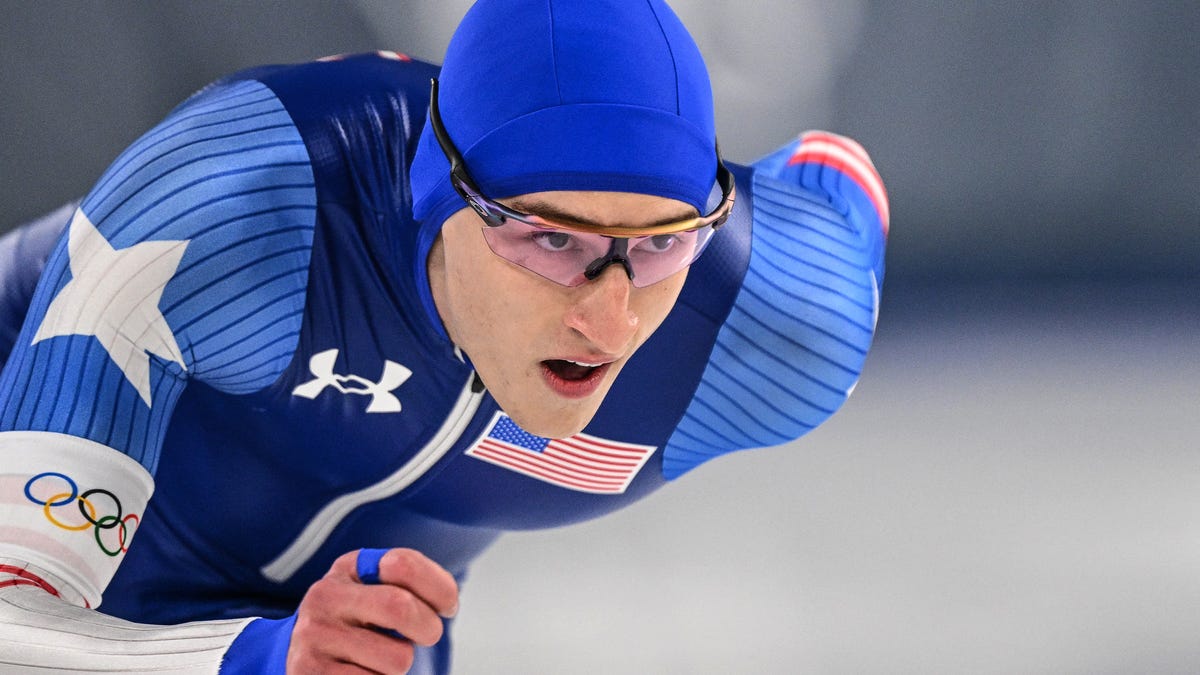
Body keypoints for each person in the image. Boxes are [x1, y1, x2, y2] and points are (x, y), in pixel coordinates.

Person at [0, 0, 888, 672]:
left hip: (360, 622)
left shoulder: (773, 323)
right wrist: (256, 657)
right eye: (551, 239)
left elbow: (840, 186)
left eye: (661, 244)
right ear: (441, 196)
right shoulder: (235, 218)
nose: (611, 321)